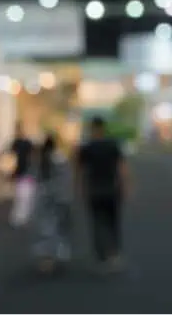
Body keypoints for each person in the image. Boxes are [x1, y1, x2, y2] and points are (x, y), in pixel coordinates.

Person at [75, 117, 129, 272]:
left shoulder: (87, 148)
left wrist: (79, 189)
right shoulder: (112, 145)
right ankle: (114, 253)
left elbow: (80, 171)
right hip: (111, 189)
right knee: (113, 221)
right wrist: (125, 185)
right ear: (103, 129)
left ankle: (101, 254)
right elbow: (122, 167)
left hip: (94, 190)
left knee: (97, 222)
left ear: (92, 129)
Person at [32, 134, 72, 271]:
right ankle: (58, 255)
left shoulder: (41, 159)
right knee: (60, 228)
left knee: (45, 228)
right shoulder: (61, 159)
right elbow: (67, 179)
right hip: (60, 198)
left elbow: (36, 178)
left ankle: (46, 259)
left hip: (44, 197)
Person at [8, 126, 37, 226]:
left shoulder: (17, 143)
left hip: (23, 172)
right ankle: (22, 216)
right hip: (23, 172)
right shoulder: (20, 143)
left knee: (22, 195)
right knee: (24, 195)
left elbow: (11, 157)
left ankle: (21, 216)